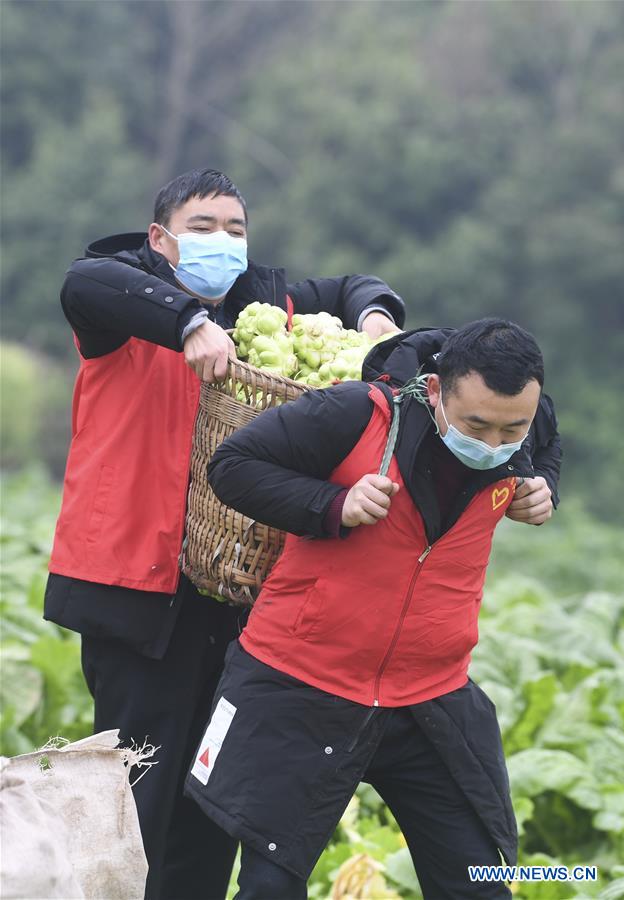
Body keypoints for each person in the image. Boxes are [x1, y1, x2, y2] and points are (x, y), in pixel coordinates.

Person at [43, 167, 406, 900]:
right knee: (130, 800)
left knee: (209, 804)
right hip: (135, 592)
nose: (222, 242)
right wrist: (187, 322)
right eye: (202, 227)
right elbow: (86, 281)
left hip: (234, 592)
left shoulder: (260, 308)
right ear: (160, 238)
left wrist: (374, 318)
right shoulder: (120, 301)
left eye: (235, 230)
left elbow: (351, 287)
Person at [185, 319, 561, 900]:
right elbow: (233, 466)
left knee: (485, 883)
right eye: (476, 425)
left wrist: (543, 487)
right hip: (298, 681)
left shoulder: (524, 421)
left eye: (513, 428)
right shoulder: (354, 413)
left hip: (430, 693)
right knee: (269, 887)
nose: (494, 444)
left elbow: (545, 447)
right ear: (435, 392)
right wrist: (333, 502)